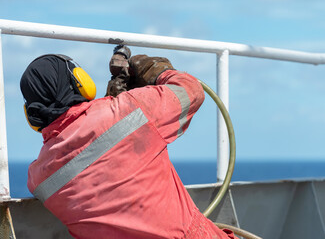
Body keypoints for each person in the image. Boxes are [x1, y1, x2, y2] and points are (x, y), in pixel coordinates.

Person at [20, 47, 237, 239]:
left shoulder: (38, 180)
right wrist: (153, 71)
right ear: (80, 82)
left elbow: (89, 156)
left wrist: (110, 105)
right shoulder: (130, 110)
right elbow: (191, 91)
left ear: (31, 114)